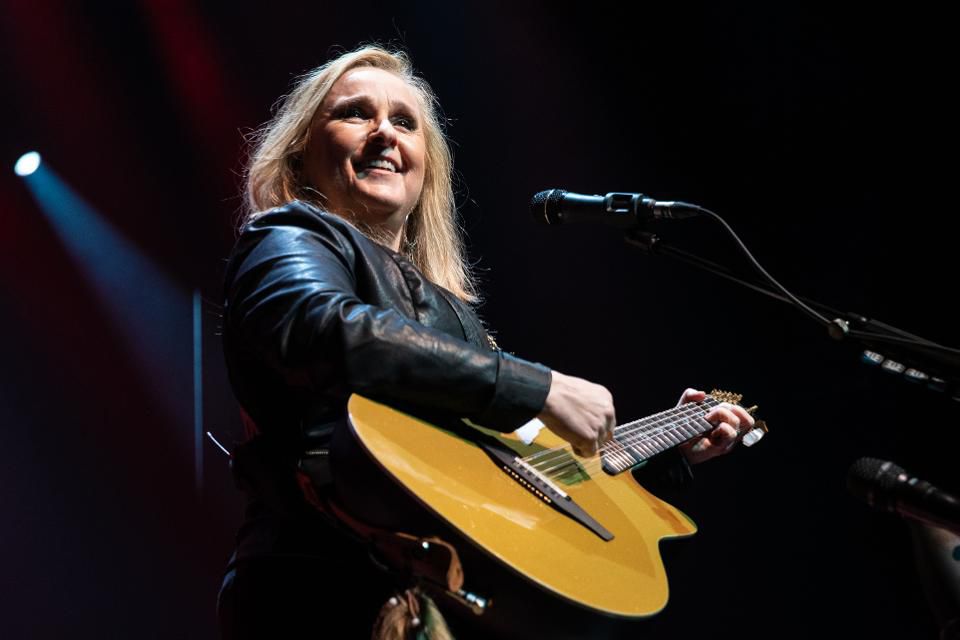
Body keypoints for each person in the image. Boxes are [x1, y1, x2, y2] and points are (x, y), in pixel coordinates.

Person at [216, 44, 754, 640]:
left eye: (404, 122)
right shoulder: (287, 236)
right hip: (322, 587)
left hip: (447, 596)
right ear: (300, 152)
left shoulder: (453, 315)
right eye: (355, 114)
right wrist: (535, 386)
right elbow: (315, 326)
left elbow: (509, 484)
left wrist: (668, 457)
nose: (384, 135)